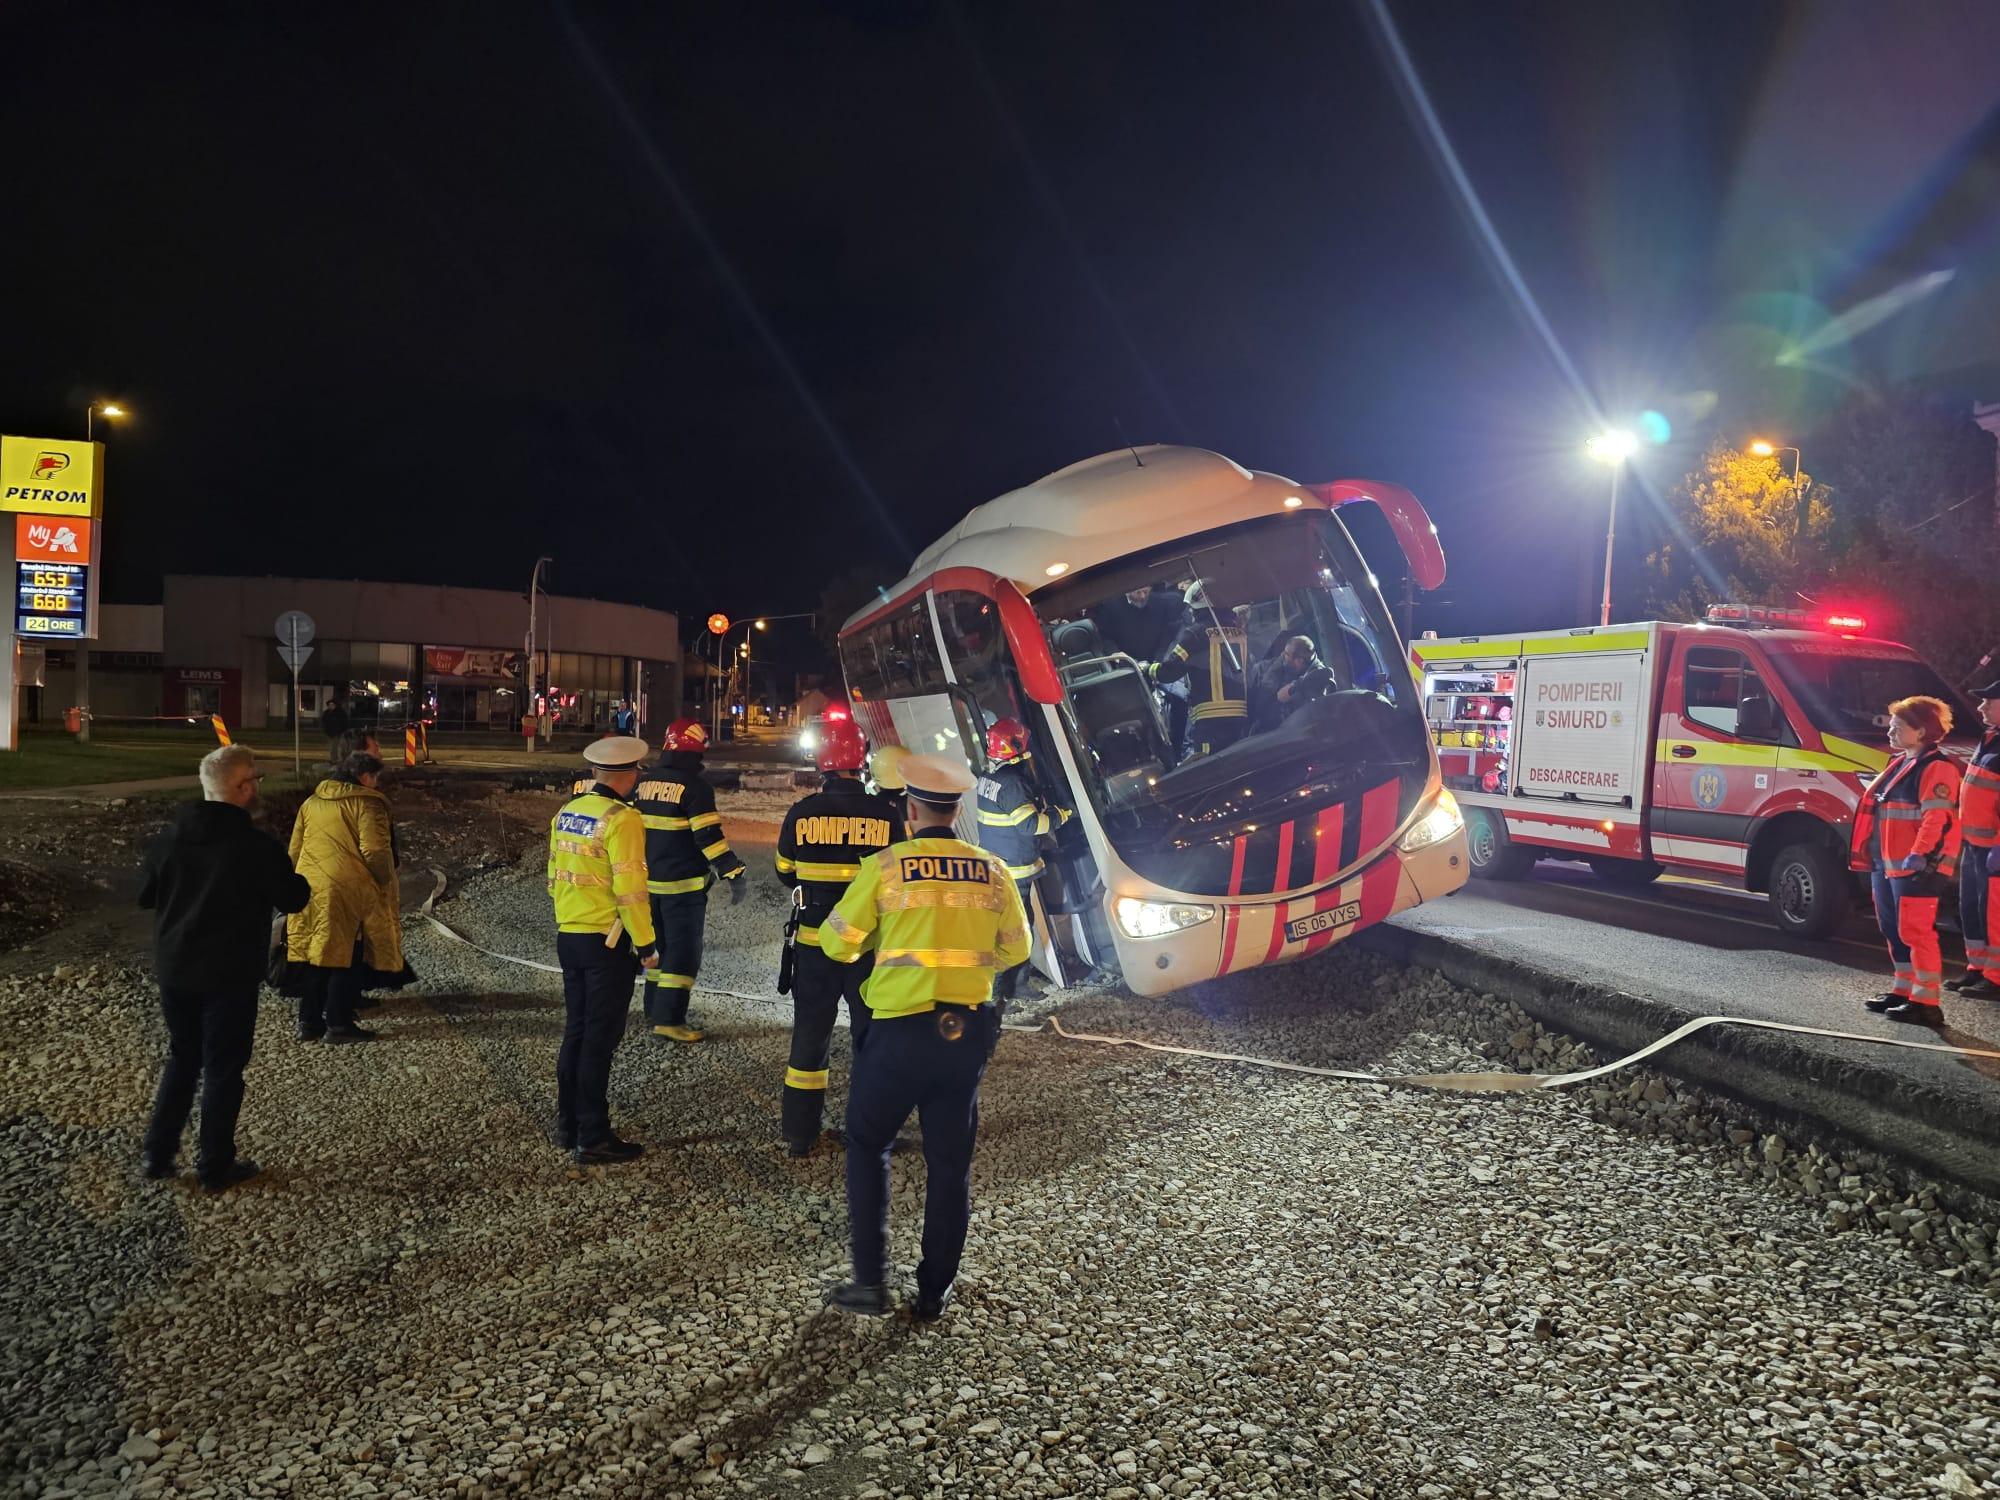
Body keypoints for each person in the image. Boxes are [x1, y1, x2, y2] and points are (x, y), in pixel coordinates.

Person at [820, 753, 1031, 1320]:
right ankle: (934, 1290)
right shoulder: (992, 870)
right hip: (962, 1038)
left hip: (896, 1035)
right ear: (957, 809)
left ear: (911, 809)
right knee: (949, 1163)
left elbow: (838, 941)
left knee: (867, 1144)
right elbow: (1017, 949)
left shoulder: (887, 867)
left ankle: (870, 1283)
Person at [137, 746, 311, 1190]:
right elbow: (294, 897)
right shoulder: (254, 846)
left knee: (182, 1058)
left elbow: (145, 893)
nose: (257, 786)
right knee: (223, 1067)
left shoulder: (172, 835)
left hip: (176, 968)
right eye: (254, 778)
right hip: (228, 974)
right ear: (241, 787)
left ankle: (157, 1154)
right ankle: (215, 1165)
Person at [774, 718, 904, 1155]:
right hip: (868, 948)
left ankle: (799, 1133)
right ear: (860, 759)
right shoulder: (887, 816)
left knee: (810, 1035)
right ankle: (874, 1133)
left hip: (814, 946)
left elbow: (783, 871)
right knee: (872, 1037)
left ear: (823, 764)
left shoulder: (801, 812)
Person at [549, 735, 658, 1162]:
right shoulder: (623, 819)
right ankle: (592, 1137)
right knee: (599, 1039)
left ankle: (568, 1124)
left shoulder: (566, 812)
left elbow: (554, 874)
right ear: (629, 776)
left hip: (569, 937)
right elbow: (632, 890)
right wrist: (646, 944)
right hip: (607, 944)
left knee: (575, 1031)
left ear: (595, 773)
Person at [632, 719, 746, 1042]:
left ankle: (654, 1012)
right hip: (682, 890)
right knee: (682, 955)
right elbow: (708, 837)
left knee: (658, 951)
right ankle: (669, 1022)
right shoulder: (695, 789)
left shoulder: (644, 783)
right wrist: (732, 872)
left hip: (647, 887)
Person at [1854, 696, 1962, 1025]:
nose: (1889, 732)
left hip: (1917, 865)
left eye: (1897, 727)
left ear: (1922, 731)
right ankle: (1903, 990)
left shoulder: (1936, 767)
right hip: (1889, 863)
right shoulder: (1902, 763)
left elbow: (1936, 818)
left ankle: (1926, 1003)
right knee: (1893, 929)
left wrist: (1920, 853)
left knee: (1916, 932)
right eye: (1891, 726)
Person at [287, 751, 403, 1042]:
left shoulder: (311, 802)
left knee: (316, 954)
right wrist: (384, 881)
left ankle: (309, 1022)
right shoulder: (367, 804)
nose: (376, 785)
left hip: (309, 887)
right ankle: (339, 1025)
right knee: (346, 955)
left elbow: (294, 849)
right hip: (347, 889)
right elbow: (375, 851)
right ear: (365, 777)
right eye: (375, 778)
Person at [974, 717, 1069, 1001]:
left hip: (1000, 866)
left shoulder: (989, 778)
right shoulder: (1013, 783)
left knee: (1010, 929)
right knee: (1014, 931)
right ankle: (1002, 990)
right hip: (1014, 871)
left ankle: (1009, 988)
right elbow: (1029, 825)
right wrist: (1059, 816)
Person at [1152, 581, 1251, 757]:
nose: (1190, 612)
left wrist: (1149, 669)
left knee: (1210, 766)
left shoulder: (1195, 634)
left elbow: (1169, 672)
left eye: (1193, 608)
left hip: (1210, 719)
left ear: (1202, 608)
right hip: (1241, 716)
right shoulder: (1240, 633)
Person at [1948, 680, 2000, 1000]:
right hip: (1974, 844)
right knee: (1971, 908)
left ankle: (1995, 979)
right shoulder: (1990, 739)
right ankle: (1977, 969)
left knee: (1992, 913)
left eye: (1988, 701)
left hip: (1993, 848)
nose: (1981, 707)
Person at [1249, 635, 1331, 732]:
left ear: (1299, 661)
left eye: (1287, 654)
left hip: (1291, 733)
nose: (1283, 655)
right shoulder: (1271, 666)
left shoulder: (1316, 681)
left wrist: (1287, 693)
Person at [321, 690, 351, 764]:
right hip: (330, 733)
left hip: (339, 733)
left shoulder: (340, 712)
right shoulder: (326, 713)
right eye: (329, 705)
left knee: (340, 747)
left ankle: (339, 759)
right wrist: (326, 730)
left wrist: (342, 730)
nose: (331, 706)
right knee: (332, 747)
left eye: (332, 705)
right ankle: (334, 759)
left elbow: (345, 722)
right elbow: (324, 722)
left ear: (335, 705)